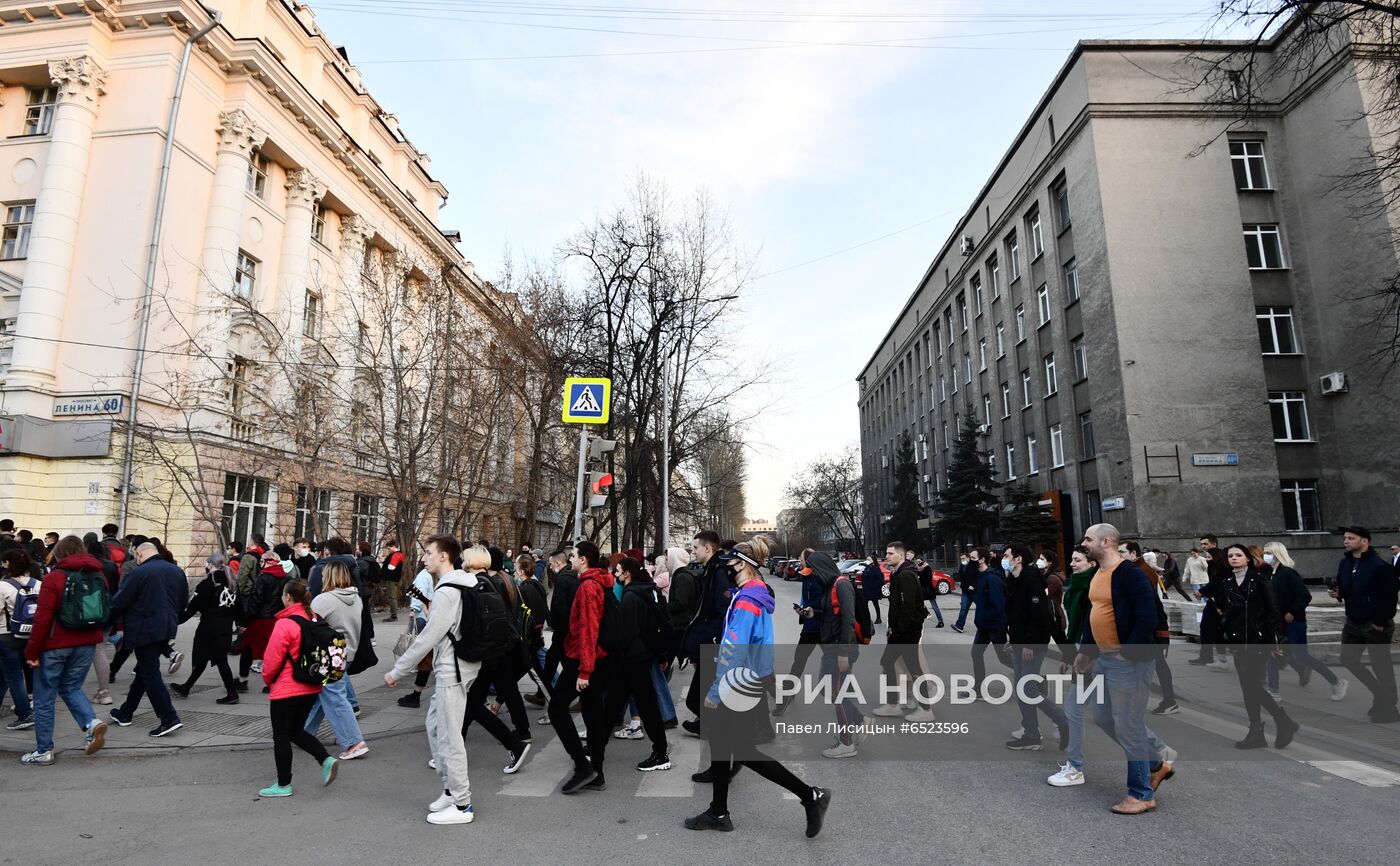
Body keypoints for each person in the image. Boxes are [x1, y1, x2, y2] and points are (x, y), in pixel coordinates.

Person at [685, 536, 831, 837]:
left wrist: (715, 691)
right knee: (723, 745)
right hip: (746, 680)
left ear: (742, 565)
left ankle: (810, 795)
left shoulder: (748, 600)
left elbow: (734, 648)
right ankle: (718, 812)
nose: (727, 567)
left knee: (741, 750)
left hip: (737, 683)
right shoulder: (753, 593)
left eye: (730, 562)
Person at [387, 536, 527, 824]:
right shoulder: (463, 582)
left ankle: (462, 805)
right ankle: (450, 789)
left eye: (428, 553)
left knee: (451, 739)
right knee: (435, 726)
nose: (423, 558)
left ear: (444, 557)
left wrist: (397, 670)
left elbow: (428, 637)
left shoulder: (447, 591)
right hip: (462, 666)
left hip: (454, 670)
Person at [1059, 524, 1176, 814]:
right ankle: (1156, 764)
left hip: (1129, 662)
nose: (1084, 543)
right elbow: (1094, 616)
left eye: (1088, 539)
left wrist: (1128, 654)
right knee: (1103, 717)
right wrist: (1086, 654)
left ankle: (1141, 794)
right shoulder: (1098, 574)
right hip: (1104, 659)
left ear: (1106, 542)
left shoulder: (1130, 575)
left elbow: (1146, 617)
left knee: (1128, 725)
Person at [21, 535, 108, 764]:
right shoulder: (98, 575)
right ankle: (91, 722)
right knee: (71, 687)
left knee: (44, 698)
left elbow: (42, 618)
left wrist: (32, 652)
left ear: (60, 553)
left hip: (55, 645)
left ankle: (44, 750)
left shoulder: (55, 577)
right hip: (87, 642)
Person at [258, 578, 338, 797]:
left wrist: (268, 681)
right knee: (296, 731)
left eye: (283, 595)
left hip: (286, 688)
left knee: (281, 736)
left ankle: (283, 785)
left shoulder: (285, 624)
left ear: (288, 597)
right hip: (311, 686)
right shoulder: (314, 618)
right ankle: (325, 759)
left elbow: (271, 660)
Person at [550, 541, 615, 795]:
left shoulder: (588, 586)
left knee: (557, 709)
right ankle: (596, 771)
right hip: (596, 658)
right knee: (592, 712)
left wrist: (584, 671)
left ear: (584, 559)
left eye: (574, 556)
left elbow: (589, 629)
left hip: (583, 659)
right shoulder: (599, 581)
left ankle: (583, 766)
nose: (571, 559)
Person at [1217, 544, 1299, 748]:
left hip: (1257, 640)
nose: (1233, 558)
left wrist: (1273, 641)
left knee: (1251, 685)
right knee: (1248, 687)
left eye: (1238, 555)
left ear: (1247, 558)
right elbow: (1226, 609)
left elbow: (1273, 611)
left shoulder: (1260, 580)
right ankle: (1262, 729)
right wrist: (1225, 627)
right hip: (1238, 640)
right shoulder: (1227, 582)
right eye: (1230, 555)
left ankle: (1280, 722)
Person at [108, 542, 187, 737]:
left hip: (144, 629)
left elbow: (120, 601)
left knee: (150, 673)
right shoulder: (176, 571)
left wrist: (106, 622)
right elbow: (183, 602)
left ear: (139, 553)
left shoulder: (140, 572)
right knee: (144, 670)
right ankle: (126, 712)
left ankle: (169, 718)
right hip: (167, 627)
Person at [603, 556, 673, 771]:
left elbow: (625, 632)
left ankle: (661, 754)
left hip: (632, 659)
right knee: (617, 706)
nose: (615, 575)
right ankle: (595, 749)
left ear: (627, 574)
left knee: (639, 706)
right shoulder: (648, 591)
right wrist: (661, 655)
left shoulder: (631, 597)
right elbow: (655, 626)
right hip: (640, 658)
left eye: (618, 571)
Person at [1003, 546, 1069, 751]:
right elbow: (1017, 615)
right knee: (1021, 689)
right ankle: (1031, 734)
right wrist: (1013, 639)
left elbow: (1038, 615)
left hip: (1033, 644)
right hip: (1019, 642)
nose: (1004, 559)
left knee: (1028, 688)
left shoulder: (1032, 580)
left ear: (1018, 559)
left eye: (1007, 556)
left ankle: (1063, 720)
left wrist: (1029, 644)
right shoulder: (1014, 580)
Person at [1330, 527, 1399, 724]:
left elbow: (1389, 598)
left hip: (1375, 624)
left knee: (1381, 667)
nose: (1346, 541)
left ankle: (1388, 707)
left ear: (1364, 541)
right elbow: (1347, 588)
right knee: (1348, 659)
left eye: (1351, 538)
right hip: (1353, 621)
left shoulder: (1379, 566)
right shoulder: (1345, 563)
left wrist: (1379, 622)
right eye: (1345, 538)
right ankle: (1379, 693)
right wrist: (1338, 593)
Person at [1264, 541, 1346, 702]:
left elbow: (1304, 595)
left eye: (1269, 553)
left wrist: (1292, 612)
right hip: (1276, 622)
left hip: (1294, 623)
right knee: (1273, 654)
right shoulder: (1269, 574)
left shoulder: (1288, 573)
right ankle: (1273, 691)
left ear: (1278, 554)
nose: (1265, 556)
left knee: (1302, 656)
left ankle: (1336, 682)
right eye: (1265, 552)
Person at [304, 561, 370, 760]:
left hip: (328, 654)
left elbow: (308, 626)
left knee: (334, 697)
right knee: (324, 694)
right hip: (347, 652)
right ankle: (304, 733)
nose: (322, 577)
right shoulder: (356, 598)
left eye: (324, 574)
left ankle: (354, 742)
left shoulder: (323, 600)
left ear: (329, 576)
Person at [804, 551, 865, 758]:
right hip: (830, 648)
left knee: (838, 694)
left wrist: (843, 653)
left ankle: (847, 743)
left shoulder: (842, 585)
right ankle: (859, 720)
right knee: (827, 688)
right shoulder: (830, 586)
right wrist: (814, 614)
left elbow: (848, 620)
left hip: (841, 649)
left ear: (822, 568)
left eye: (813, 572)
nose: (812, 576)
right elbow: (832, 616)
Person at [680, 531, 735, 736]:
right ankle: (707, 725)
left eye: (695, 548)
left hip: (713, 641)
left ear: (708, 548)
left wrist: (715, 640)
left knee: (698, 696)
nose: (693, 552)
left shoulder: (718, 572)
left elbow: (723, 609)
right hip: (709, 638)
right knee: (701, 693)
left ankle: (714, 727)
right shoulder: (711, 569)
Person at [873, 541, 933, 721]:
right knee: (889, 661)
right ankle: (894, 705)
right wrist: (892, 627)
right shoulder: (898, 573)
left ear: (901, 555)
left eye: (890, 553)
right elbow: (896, 604)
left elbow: (908, 607)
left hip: (907, 631)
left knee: (910, 666)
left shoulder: (905, 575)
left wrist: (899, 630)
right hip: (901, 630)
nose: (887, 556)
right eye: (886, 553)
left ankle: (925, 709)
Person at [171, 553, 240, 704]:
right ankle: (186, 687)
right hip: (225, 628)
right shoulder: (232, 583)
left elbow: (193, 608)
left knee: (216, 659)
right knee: (210, 658)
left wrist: (175, 621)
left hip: (209, 628)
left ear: (210, 565)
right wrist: (241, 623)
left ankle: (232, 693)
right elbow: (238, 608)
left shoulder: (207, 584)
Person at [1120, 542, 1178, 717]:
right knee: (1154, 664)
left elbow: (1151, 604)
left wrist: (1159, 631)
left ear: (1133, 553)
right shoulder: (1134, 570)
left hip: (1153, 627)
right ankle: (1167, 700)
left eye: (1122, 552)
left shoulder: (1141, 572)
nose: (1119, 555)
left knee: (1156, 663)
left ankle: (1169, 701)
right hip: (1150, 626)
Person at [775, 549, 822, 718]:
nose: (799, 562)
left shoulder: (818, 578)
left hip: (819, 627)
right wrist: (802, 611)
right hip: (810, 625)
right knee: (799, 660)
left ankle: (787, 695)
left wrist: (809, 610)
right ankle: (789, 693)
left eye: (801, 559)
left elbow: (821, 602)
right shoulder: (807, 576)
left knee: (804, 661)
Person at [0, 549, 39, 730]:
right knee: (22, 672)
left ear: (8, 563)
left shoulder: (3, 586)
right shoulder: (38, 584)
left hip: (7, 635)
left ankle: (24, 714)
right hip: (31, 635)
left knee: (14, 676)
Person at [397, 564, 438, 709]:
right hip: (430, 616)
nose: (426, 559)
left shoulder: (424, 575)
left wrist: (413, 610)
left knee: (425, 655)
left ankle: (416, 695)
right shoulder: (435, 576)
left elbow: (418, 593)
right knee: (429, 655)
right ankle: (416, 694)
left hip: (423, 616)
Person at [970, 548, 1010, 696]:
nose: (970, 561)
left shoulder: (992, 578)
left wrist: (987, 618)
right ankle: (978, 689)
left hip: (995, 625)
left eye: (973, 558)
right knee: (976, 653)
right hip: (984, 626)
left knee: (1005, 659)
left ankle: (1037, 679)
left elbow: (998, 605)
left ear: (982, 560)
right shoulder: (980, 576)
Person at [1040, 550, 1067, 637]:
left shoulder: (1053, 579)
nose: (1039, 561)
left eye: (1042, 559)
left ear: (1050, 562)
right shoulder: (1047, 576)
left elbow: (1044, 595)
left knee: (1061, 639)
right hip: (1051, 612)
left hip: (1053, 614)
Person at [952, 547, 979, 633]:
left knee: (981, 607)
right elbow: (962, 578)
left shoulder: (974, 565)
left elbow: (978, 576)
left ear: (968, 558)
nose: (962, 560)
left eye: (963, 558)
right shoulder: (962, 567)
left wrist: (973, 585)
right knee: (963, 608)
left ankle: (985, 624)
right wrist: (963, 586)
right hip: (965, 592)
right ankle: (959, 625)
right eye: (961, 559)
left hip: (975, 592)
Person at [914, 556, 946, 627]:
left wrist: (920, 577)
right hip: (921, 590)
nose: (918, 563)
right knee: (918, 603)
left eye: (919, 561)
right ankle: (923, 616)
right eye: (917, 562)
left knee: (934, 606)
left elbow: (927, 580)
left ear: (923, 561)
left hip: (929, 590)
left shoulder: (927, 568)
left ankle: (940, 621)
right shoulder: (918, 569)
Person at [380, 539, 406, 622]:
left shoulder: (396, 555)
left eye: (389, 548)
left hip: (391, 578)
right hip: (394, 578)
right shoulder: (399, 555)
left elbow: (391, 567)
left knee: (392, 596)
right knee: (392, 596)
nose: (389, 550)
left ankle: (393, 615)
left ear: (393, 546)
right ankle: (393, 614)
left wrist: (385, 564)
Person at [860, 555, 885, 625]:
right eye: (867, 559)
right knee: (864, 604)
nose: (867, 561)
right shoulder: (867, 568)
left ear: (873, 560)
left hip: (873, 590)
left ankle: (878, 618)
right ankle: (866, 618)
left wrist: (874, 586)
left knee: (875, 604)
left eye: (869, 559)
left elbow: (880, 579)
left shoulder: (876, 568)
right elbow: (864, 577)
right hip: (866, 589)